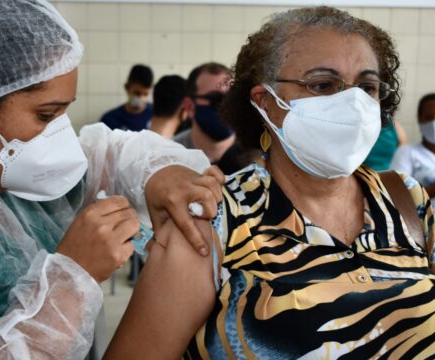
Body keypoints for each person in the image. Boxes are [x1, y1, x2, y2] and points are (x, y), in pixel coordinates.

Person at [104, 6, 435, 359]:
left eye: (366, 86)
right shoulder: (212, 219)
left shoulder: (405, 199)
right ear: (265, 102)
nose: (352, 104)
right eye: (323, 85)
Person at [0, 1, 224, 358]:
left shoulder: (18, 177)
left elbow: (112, 154)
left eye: (65, 111)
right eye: (46, 115)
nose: (59, 133)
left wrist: (161, 173)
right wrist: (73, 275)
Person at [173, 62, 236, 163]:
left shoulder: (256, 156)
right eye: (216, 99)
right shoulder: (169, 157)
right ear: (189, 107)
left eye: (231, 98)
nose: (227, 106)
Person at [392, 93, 435, 199]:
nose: (433, 123)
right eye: (428, 118)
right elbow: (398, 196)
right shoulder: (406, 153)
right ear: (419, 119)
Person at [100, 64, 153, 131]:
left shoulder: (158, 115)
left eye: (145, 94)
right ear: (127, 87)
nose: (141, 98)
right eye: (137, 93)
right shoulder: (110, 120)